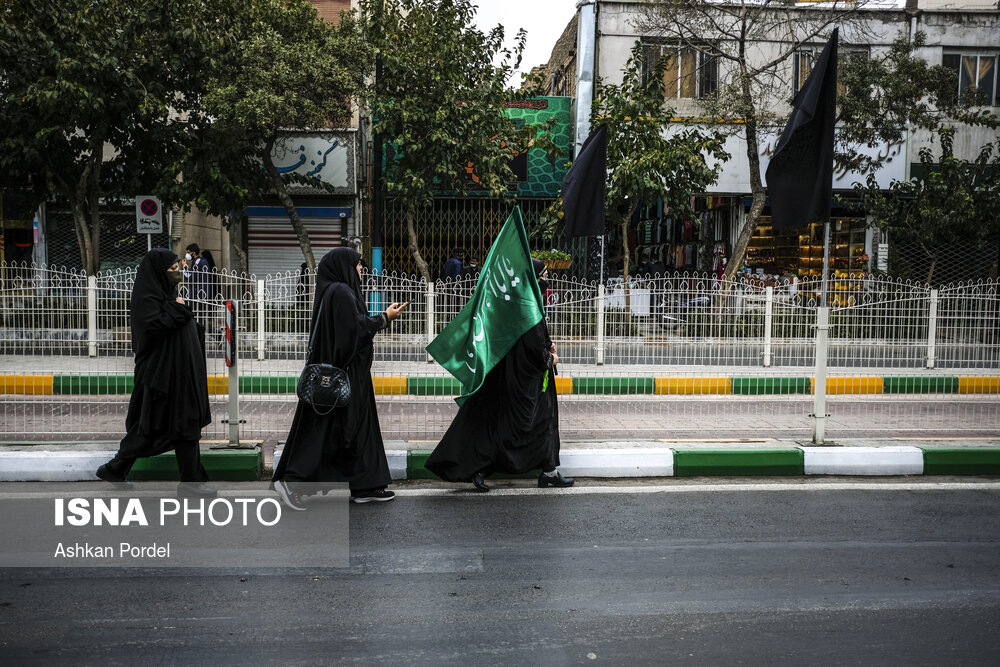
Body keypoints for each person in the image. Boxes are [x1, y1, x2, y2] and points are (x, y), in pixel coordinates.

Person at [273, 247, 409, 509]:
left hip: (345, 376)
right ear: (344, 266)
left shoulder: (332, 291)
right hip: (339, 379)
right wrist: (384, 318)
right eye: (358, 264)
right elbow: (354, 331)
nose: (361, 269)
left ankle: (365, 485)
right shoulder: (340, 292)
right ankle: (292, 483)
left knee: (356, 431)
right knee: (328, 433)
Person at [425, 258, 574, 492]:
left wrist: (547, 345)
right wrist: (550, 358)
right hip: (529, 383)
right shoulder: (527, 306)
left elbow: (533, 340)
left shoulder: (518, 303)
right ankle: (490, 467)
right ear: (532, 280)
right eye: (542, 276)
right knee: (531, 425)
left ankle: (548, 470)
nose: (545, 281)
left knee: (529, 425)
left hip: (521, 380)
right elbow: (533, 347)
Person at [95, 249, 215, 497]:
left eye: (178, 266)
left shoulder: (166, 294)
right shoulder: (146, 299)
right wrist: (179, 309)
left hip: (178, 375)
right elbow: (154, 327)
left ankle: (118, 469)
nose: (177, 271)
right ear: (159, 271)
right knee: (151, 426)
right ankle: (120, 468)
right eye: (172, 267)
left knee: (182, 422)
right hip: (159, 376)